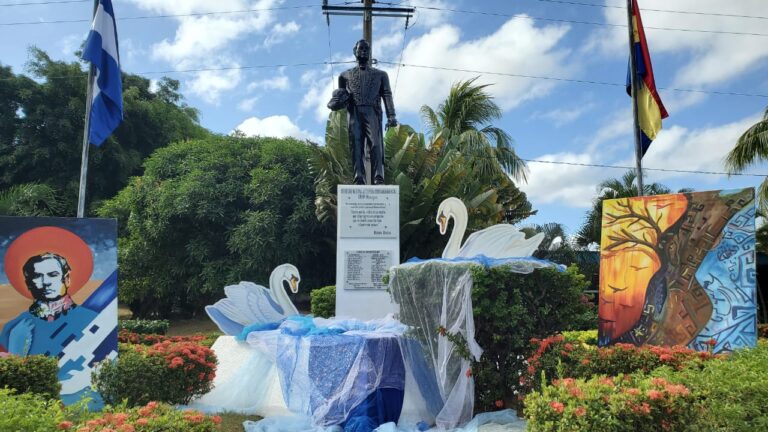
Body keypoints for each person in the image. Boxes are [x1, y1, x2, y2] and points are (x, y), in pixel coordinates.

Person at [337, 39, 398, 185]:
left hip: (372, 112)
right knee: (356, 145)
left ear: (369, 53)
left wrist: (392, 115)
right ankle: (359, 176)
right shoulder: (344, 76)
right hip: (354, 113)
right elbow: (341, 96)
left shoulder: (381, 75)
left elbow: (387, 95)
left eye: (366, 49)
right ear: (355, 52)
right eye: (360, 49)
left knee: (376, 144)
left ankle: (378, 176)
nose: (363, 51)